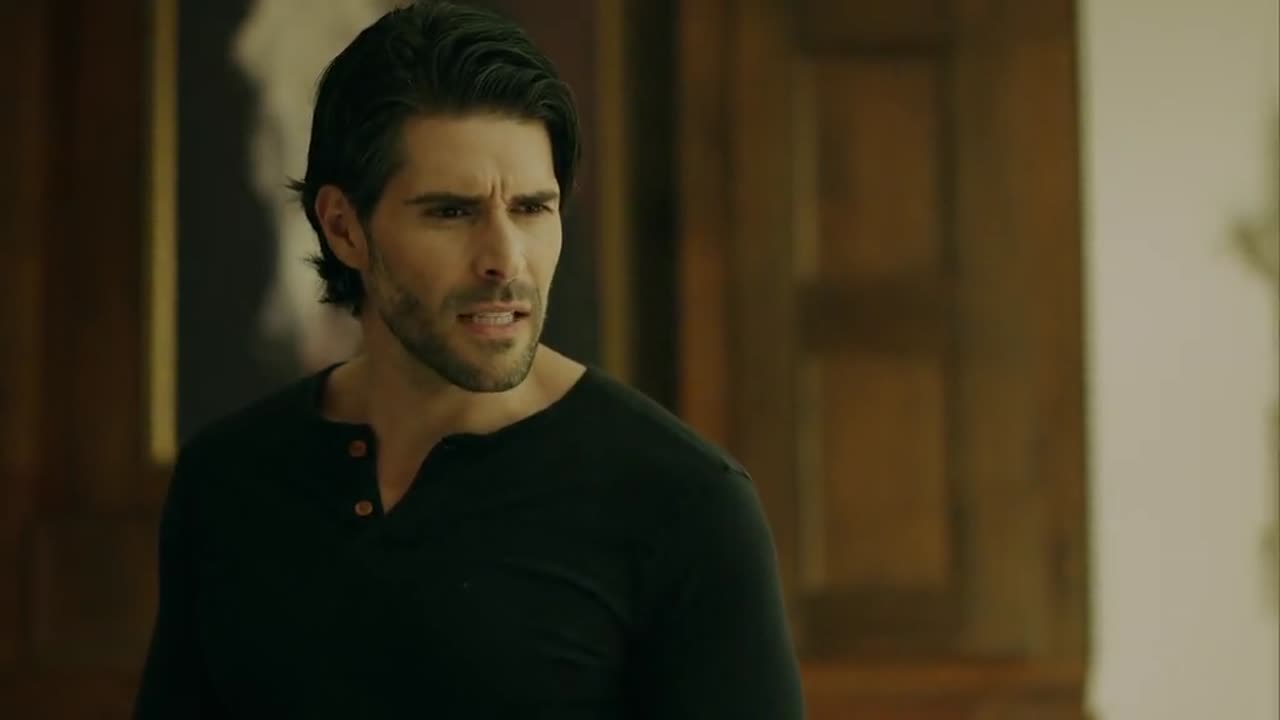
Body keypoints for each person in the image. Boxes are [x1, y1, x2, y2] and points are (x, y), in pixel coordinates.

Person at [134, 1, 804, 717]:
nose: (505, 261)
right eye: (452, 212)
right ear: (344, 228)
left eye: (532, 209)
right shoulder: (227, 484)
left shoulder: (685, 506)